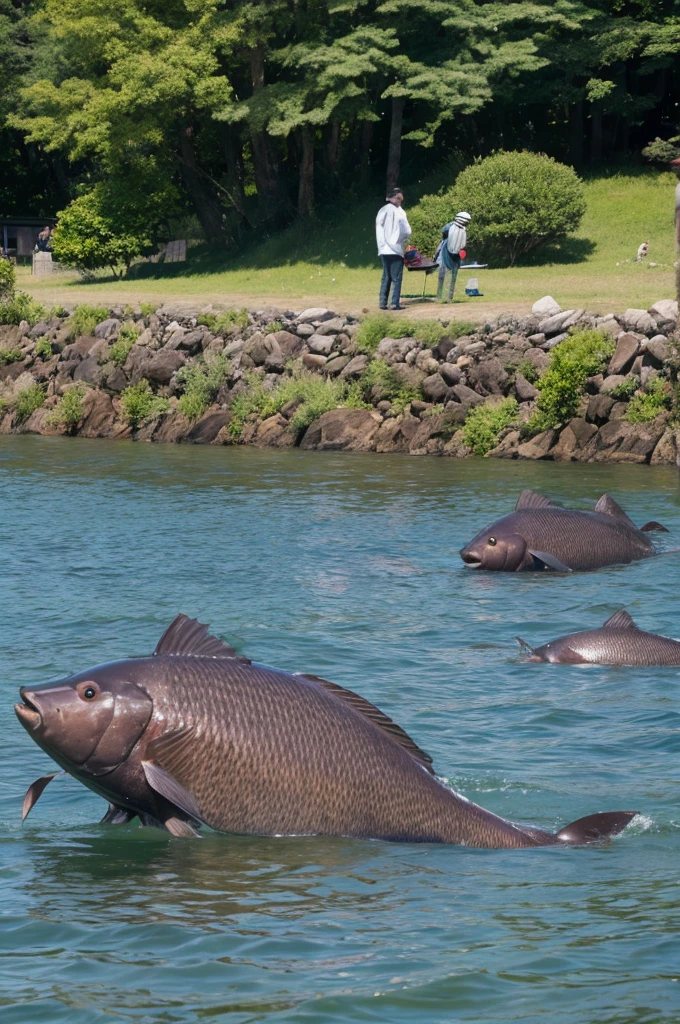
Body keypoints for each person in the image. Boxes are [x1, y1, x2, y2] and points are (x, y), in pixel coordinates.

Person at [375, 187, 411, 310]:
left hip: (384, 249)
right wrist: (401, 243)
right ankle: (394, 303)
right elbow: (405, 231)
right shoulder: (398, 212)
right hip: (395, 249)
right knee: (396, 278)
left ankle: (383, 302)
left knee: (386, 276)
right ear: (397, 198)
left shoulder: (382, 210)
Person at [436, 211, 471, 303]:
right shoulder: (450, 226)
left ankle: (448, 297)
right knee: (442, 275)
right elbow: (444, 233)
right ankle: (440, 296)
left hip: (456, 255)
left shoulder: (462, 229)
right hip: (445, 252)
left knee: (453, 275)